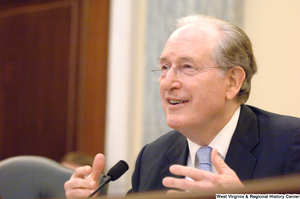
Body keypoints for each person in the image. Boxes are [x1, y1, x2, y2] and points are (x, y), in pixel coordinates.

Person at [64, 15, 300, 198]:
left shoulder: (290, 142)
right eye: (165, 67)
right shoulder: (152, 157)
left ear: (232, 81)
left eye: (187, 67)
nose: (168, 82)